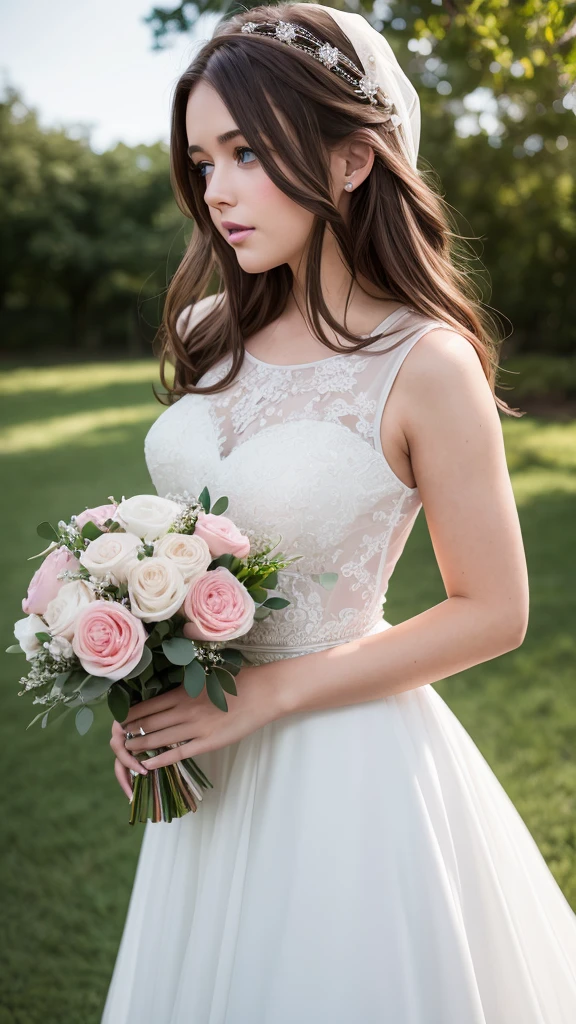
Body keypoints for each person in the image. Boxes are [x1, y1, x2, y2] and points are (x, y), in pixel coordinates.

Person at [103, 3, 576, 1021]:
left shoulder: (426, 363)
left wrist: (269, 697)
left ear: (354, 160)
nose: (216, 190)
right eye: (201, 161)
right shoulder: (208, 327)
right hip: (205, 764)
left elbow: (494, 609)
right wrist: (140, 680)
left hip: (346, 769)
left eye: (244, 152)